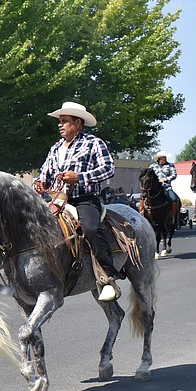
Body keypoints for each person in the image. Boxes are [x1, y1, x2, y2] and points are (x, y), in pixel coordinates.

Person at [34, 101, 119, 303]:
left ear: (78, 123)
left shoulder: (94, 143)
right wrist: (38, 183)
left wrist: (80, 177)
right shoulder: (55, 148)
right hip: (58, 199)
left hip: (84, 199)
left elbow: (108, 169)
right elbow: (44, 174)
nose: (60, 125)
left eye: (64, 121)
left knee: (90, 228)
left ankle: (108, 277)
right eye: (60, 121)